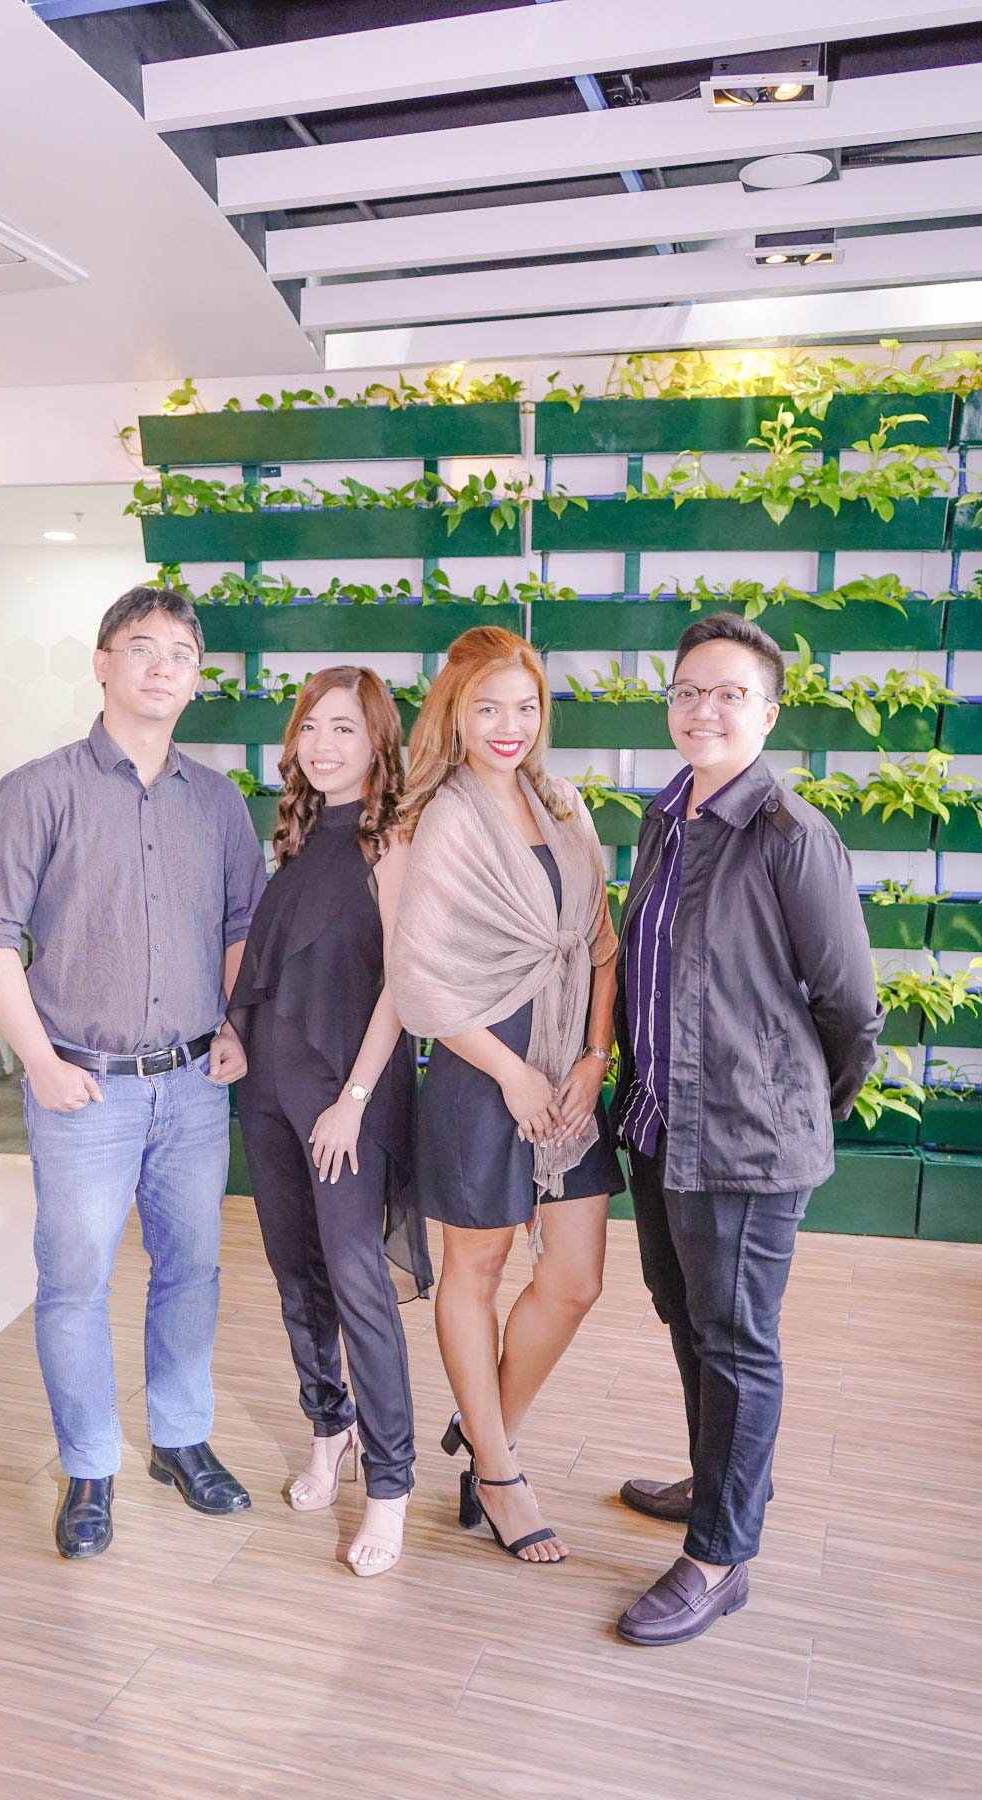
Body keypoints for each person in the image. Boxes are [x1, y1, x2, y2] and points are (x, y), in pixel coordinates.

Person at [0, 586, 266, 1560]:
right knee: (75, 1283)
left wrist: (235, 1025)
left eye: (181, 654)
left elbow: (241, 927)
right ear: (103, 664)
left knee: (192, 1271)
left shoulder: (217, 802)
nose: (162, 666)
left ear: (196, 679)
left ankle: (179, 1439)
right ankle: (90, 1466)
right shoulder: (38, 789)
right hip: (81, 1089)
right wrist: (38, 1062)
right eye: (142, 648)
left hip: (193, 1084)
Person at [611, 612, 882, 1646]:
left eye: (731, 694)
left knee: (735, 1343)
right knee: (687, 1317)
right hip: (661, 1124)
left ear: (769, 713)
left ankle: (721, 1557)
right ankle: (718, 1480)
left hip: (744, 1139)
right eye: (688, 691)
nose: (705, 709)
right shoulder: (665, 815)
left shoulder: (790, 835)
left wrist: (799, 1104)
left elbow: (850, 1007)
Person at [390, 627, 623, 1565]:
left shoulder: (561, 803)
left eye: (525, 707)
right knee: (476, 1270)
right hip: (483, 1071)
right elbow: (420, 981)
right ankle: (498, 1471)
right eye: (488, 707)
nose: (508, 725)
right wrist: (513, 1073)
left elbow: (600, 945)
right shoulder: (442, 817)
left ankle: (484, 1428)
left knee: (575, 1279)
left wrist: (592, 1059)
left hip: (567, 1065)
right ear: (455, 712)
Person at [229, 667, 430, 1579]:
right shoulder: (299, 836)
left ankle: (390, 1485)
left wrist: (352, 1099)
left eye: (344, 728)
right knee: (295, 1276)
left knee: (355, 1284)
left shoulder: (393, 841)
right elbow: (272, 967)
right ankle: (329, 1429)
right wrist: (234, 1036)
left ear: (378, 740)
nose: (323, 745)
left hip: (348, 1098)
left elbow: (401, 984)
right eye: (311, 727)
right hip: (268, 1091)